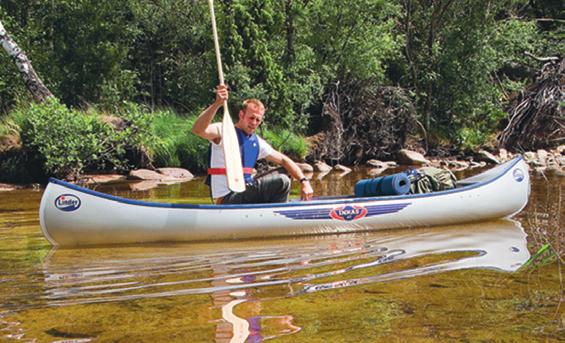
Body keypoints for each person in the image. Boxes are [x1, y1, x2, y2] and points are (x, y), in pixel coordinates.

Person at [192, 84, 314, 204]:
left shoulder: (257, 142)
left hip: (245, 193)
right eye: (251, 118)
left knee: (282, 171)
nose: (254, 123)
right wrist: (217, 104)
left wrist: (304, 181)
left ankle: (272, 215)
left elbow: (283, 160)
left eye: (258, 120)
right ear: (241, 115)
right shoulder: (223, 130)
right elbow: (198, 130)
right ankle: (277, 214)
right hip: (227, 198)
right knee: (282, 181)